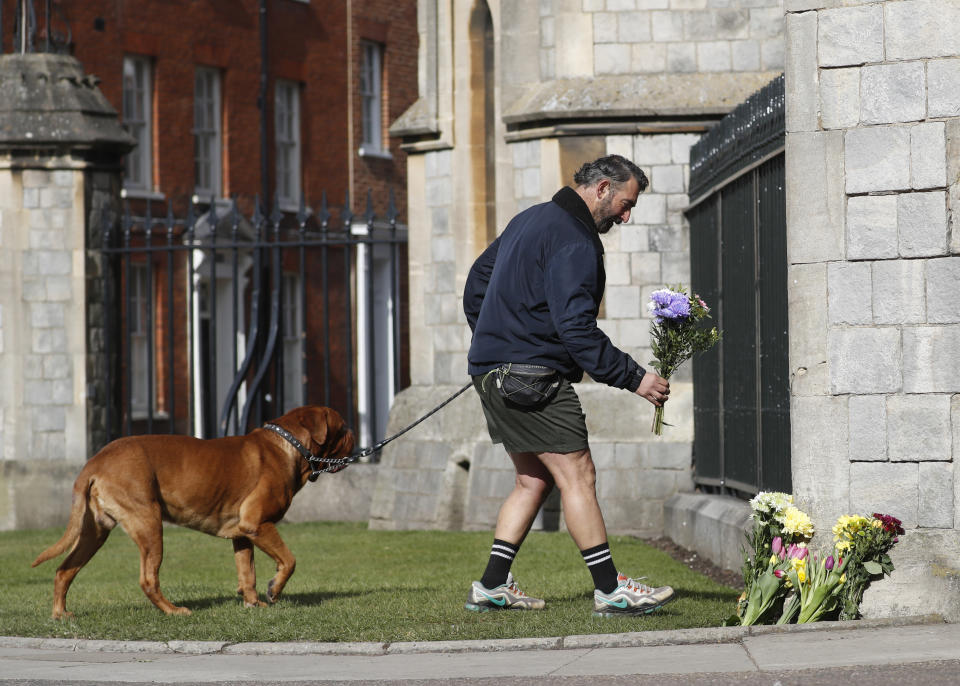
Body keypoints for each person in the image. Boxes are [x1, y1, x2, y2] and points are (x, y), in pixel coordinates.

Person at [461, 154, 674, 617]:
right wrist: (636, 378)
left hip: (490, 372)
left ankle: (492, 586)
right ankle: (610, 590)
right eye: (624, 203)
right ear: (601, 188)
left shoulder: (529, 219)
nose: (626, 215)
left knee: (532, 479)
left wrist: (498, 341)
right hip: (532, 378)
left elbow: (476, 286)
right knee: (579, 475)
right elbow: (577, 329)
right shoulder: (575, 240)